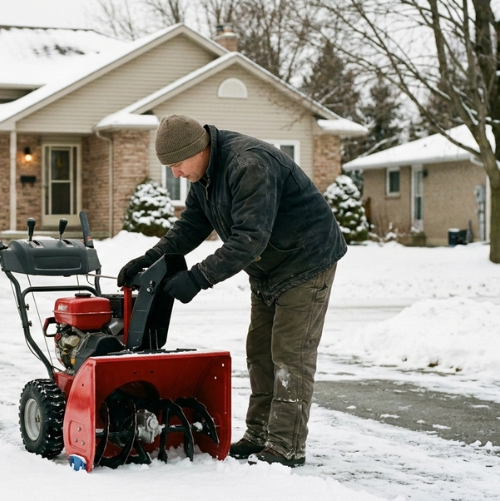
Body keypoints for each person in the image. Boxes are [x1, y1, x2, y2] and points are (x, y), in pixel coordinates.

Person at [117, 114, 346, 467]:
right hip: (268, 267)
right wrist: (149, 259)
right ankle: (258, 435)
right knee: (259, 351)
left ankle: (286, 447)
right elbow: (191, 227)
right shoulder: (205, 175)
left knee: (290, 355)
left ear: (198, 149)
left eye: (177, 164)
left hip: (305, 261)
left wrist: (196, 278)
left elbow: (248, 240)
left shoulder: (247, 165)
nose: (175, 173)